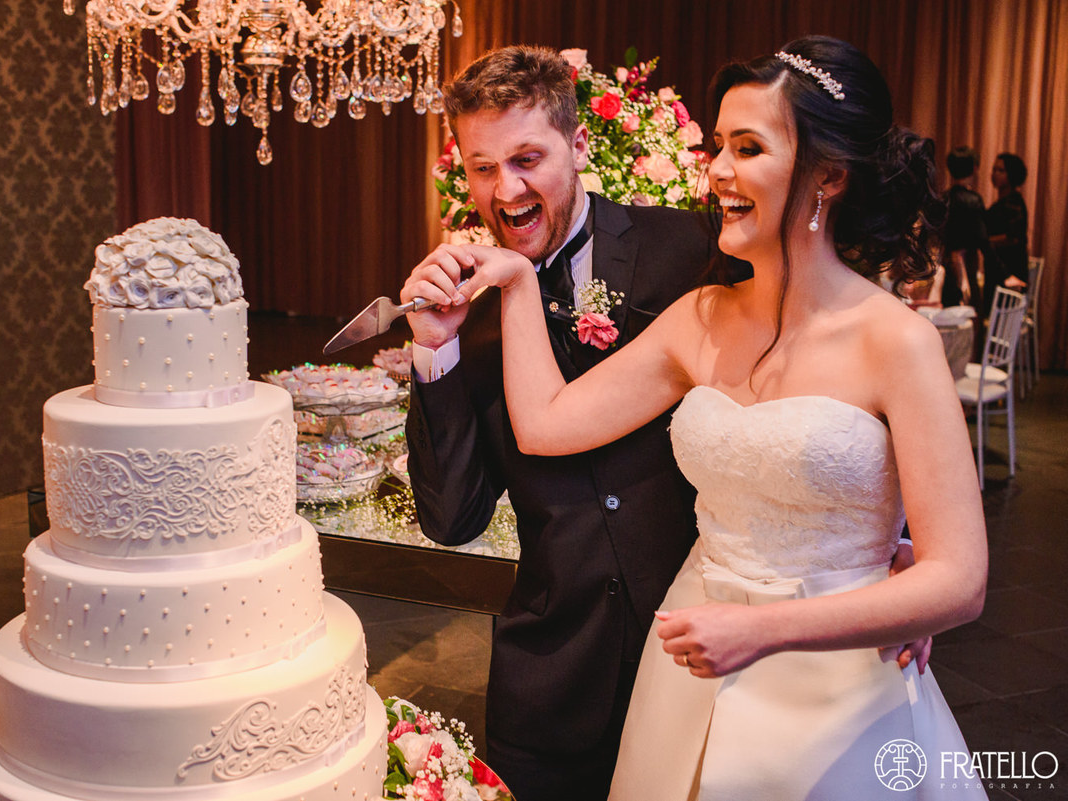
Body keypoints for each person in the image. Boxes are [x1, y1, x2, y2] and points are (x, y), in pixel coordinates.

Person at [436, 36, 987, 799]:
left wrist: (775, 620)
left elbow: (960, 580)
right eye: (718, 146)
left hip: (833, 687)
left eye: (749, 147)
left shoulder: (899, 341)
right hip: (689, 662)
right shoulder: (701, 314)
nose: (719, 171)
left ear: (828, 173)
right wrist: (519, 283)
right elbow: (546, 423)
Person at [400, 45, 736, 800]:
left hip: (695, 659)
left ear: (579, 145)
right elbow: (452, 521)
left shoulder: (686, 251)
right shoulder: (469, 312)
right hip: (548, 685)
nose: (504, 189)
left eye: (526, 159)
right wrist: (435, 354)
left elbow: (791, 386)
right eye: (482, 167)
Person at [941, 146, 987, 312]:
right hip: (967, 262)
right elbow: (983, 240)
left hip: (944, 262)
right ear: (974, 168)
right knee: (970, 310)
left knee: (949, 309)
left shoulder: (943, 199)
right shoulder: (973, 200)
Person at [983, 152, 1029, 308]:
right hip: (999, 269)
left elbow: (1013, 237)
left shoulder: (1013, 204)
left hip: (1010, 269)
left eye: (1000, 171)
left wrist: (985, 242)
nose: (994, 174)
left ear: (1011, 175)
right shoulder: (1001, 203)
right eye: (994, 169)